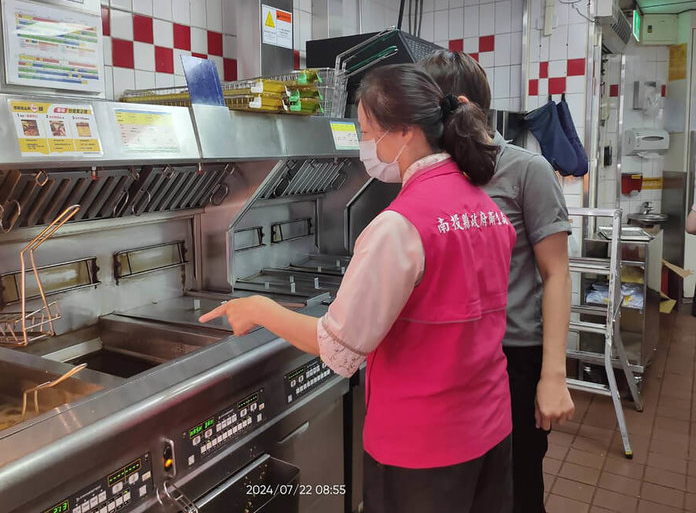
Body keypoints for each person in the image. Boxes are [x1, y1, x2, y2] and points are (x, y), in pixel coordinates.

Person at [201, 64, 517, 513]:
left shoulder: (399, 227)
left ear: (405, 132)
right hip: (489, 429)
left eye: (367, 132)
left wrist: (260, 308)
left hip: (423, 449)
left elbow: (338, 347)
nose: (365, 145)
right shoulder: (483, 205)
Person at [420, 50, 575, 513]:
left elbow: (557, 273)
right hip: (453, 360)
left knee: (516, 487)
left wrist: (553, 376)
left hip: (513, 360)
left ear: (459, 104)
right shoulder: (435, 173)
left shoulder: (528, 170)